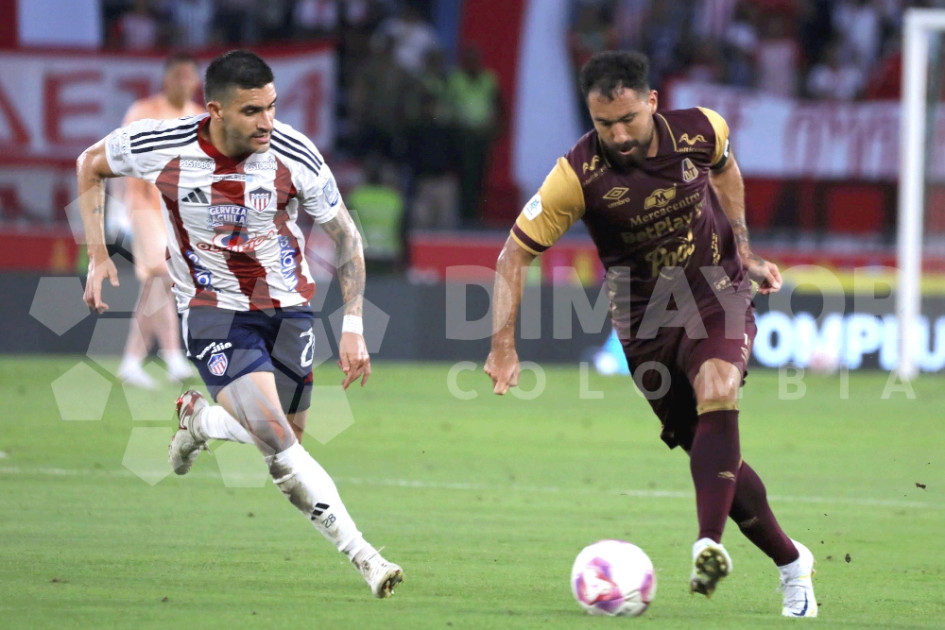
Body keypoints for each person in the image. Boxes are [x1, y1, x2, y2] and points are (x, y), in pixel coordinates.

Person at [484, 51, 817, 617]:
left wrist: (742, 248)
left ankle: (707, 544)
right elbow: (514, 254)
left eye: (627, 120)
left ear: (652, 103)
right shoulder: (576, 175)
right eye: (603, 125)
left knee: (719, 387)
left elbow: (726, 169)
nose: (617, 134)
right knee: (712, 455)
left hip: (718, 294)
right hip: (644, 325)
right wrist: (502, 345)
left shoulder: (700, 129)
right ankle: (792, 563)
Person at [77, 49, 404, 598]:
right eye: (253, 111)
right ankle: (366, 557)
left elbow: (347, 237)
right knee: (278, 440)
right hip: (213, 312)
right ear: (215, 110)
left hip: (288, 310)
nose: (268, 122)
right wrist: (97, 253)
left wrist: (353, 325)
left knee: (284, 436)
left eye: (272, 107)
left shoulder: (294, 153)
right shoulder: (163, 144)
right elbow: (91, 163)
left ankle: (200, 424)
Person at [115, 52, 203, 389]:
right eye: (178, 75)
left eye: (189, 75)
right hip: (143, 203)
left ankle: (133, 360)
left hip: (180, 210)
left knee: (160, 281)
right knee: (162, 274)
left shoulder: (198, 118)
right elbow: (119, 156)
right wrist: (119, 206)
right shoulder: (143, 112)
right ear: (166, 79)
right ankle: (172, 354)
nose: (183, 81)